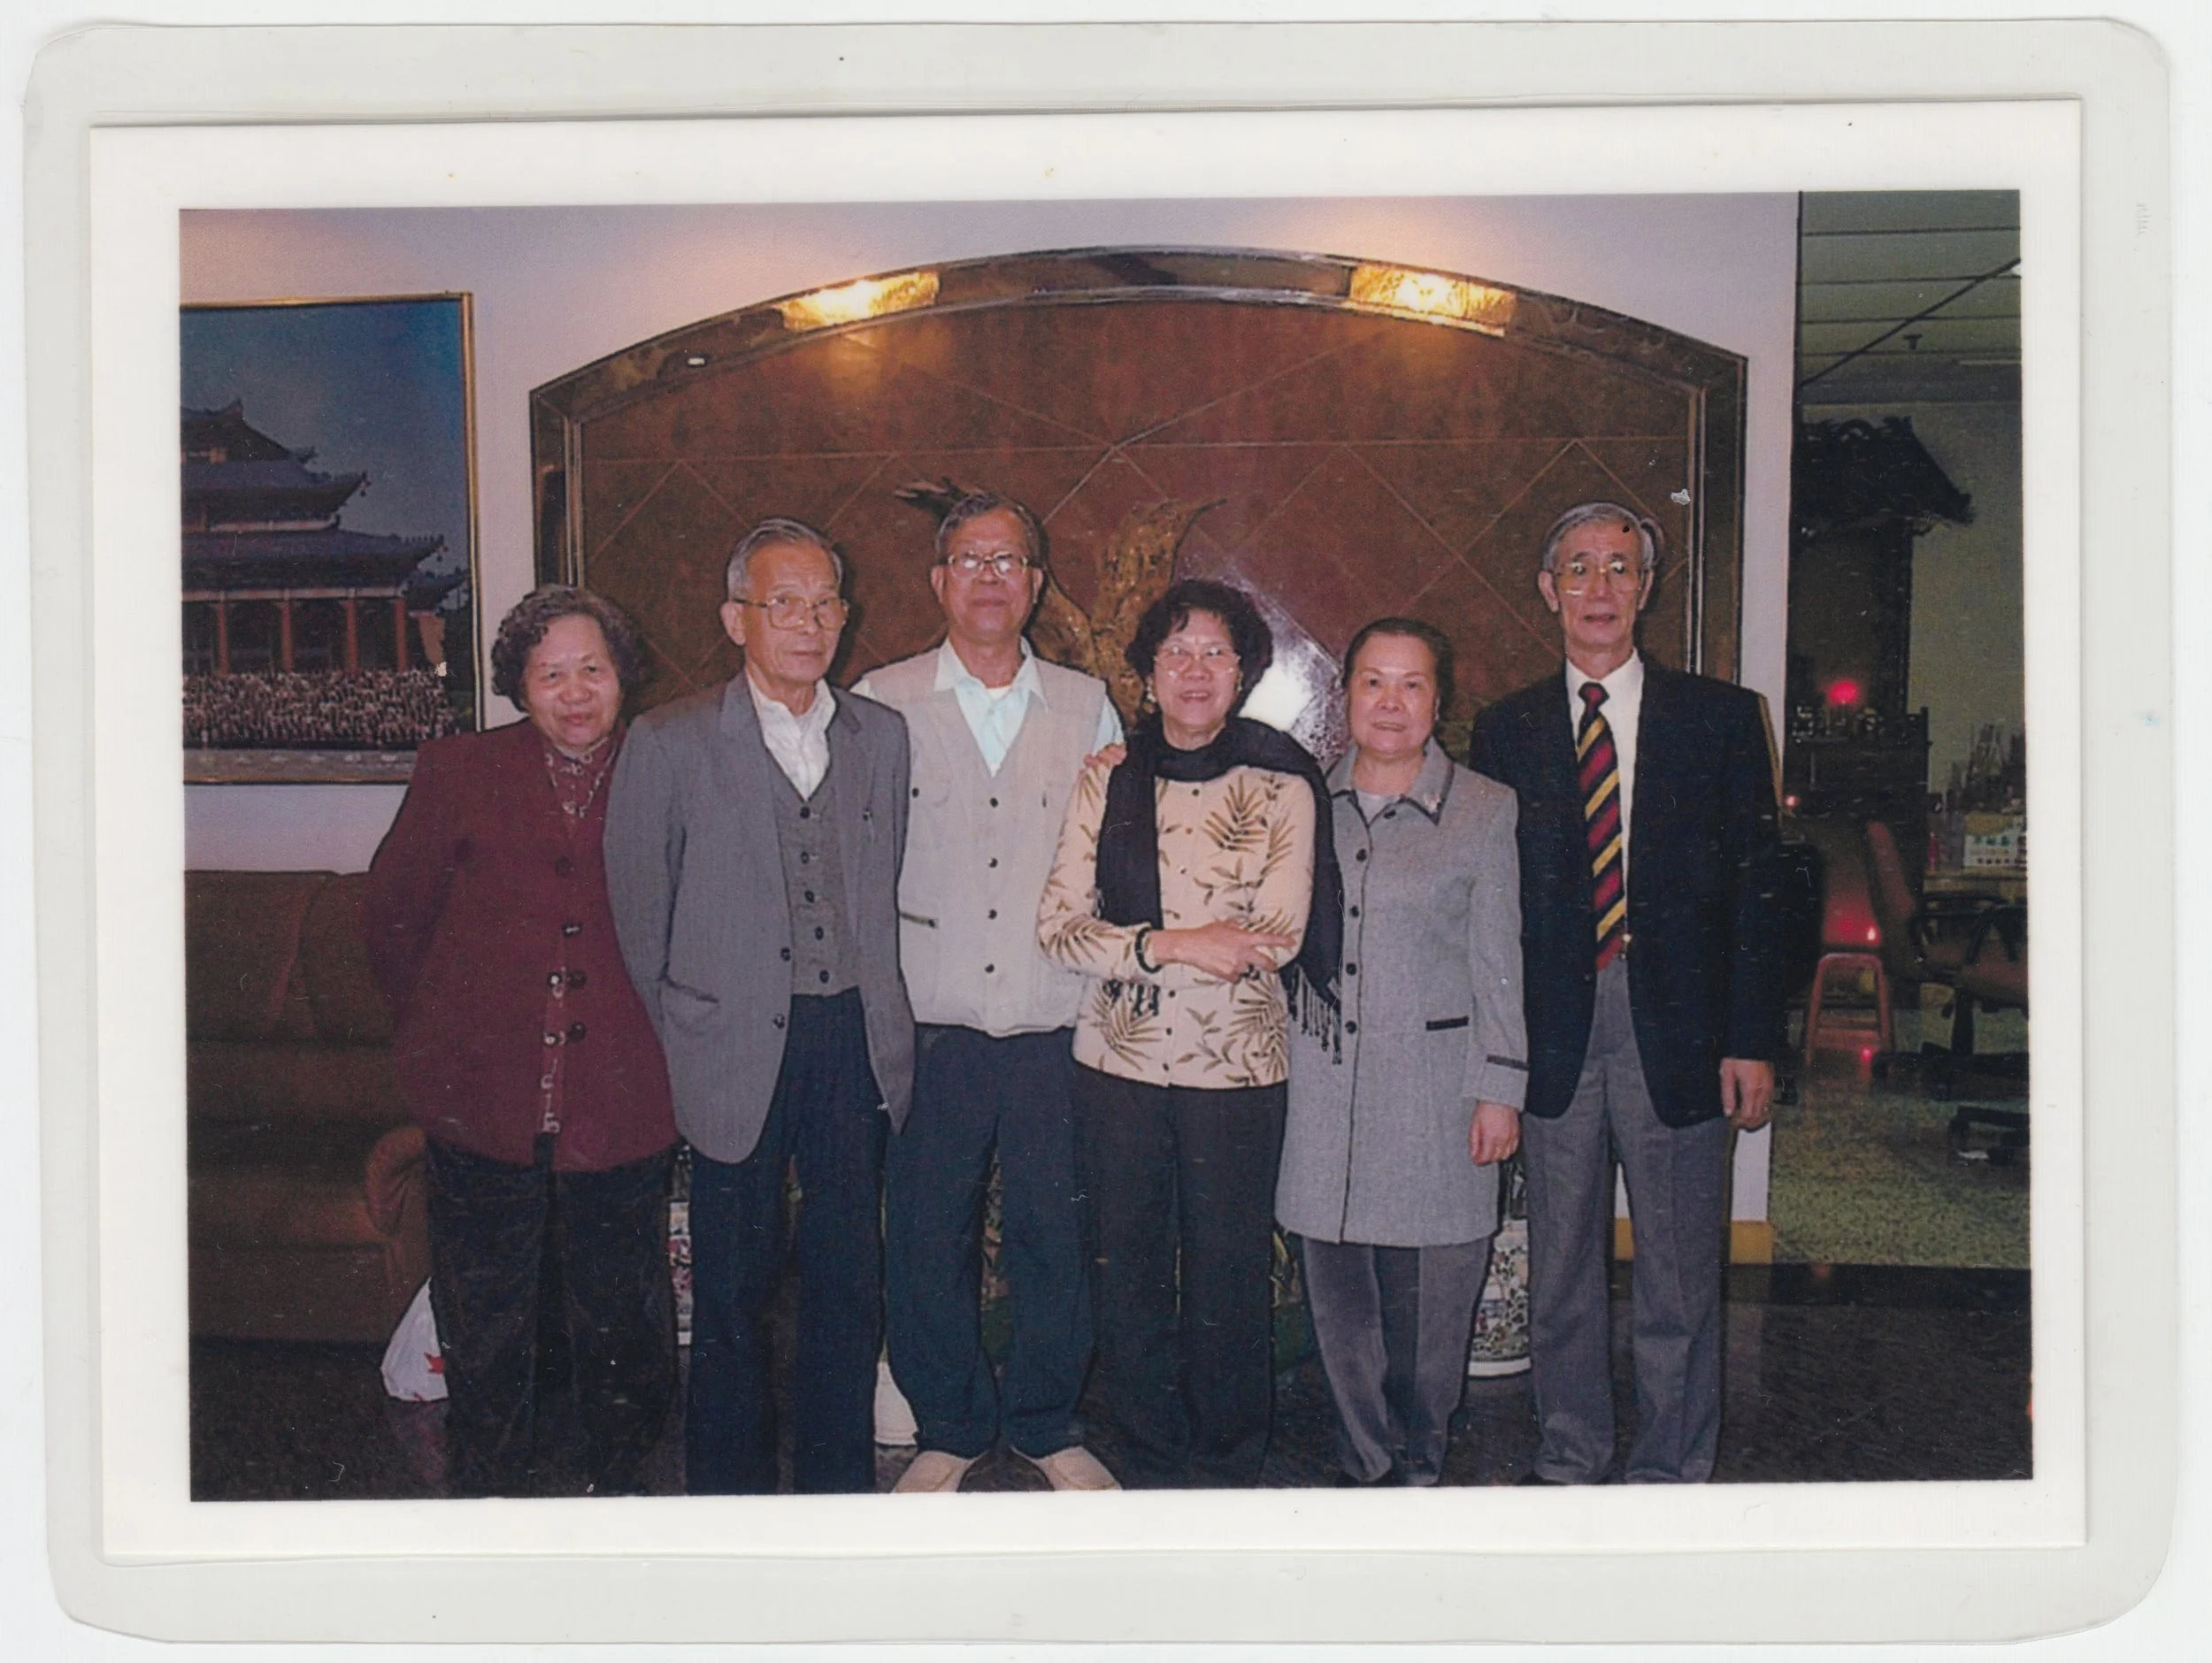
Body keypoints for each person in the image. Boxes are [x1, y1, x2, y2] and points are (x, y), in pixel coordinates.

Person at [1467, 502, 1785, 1486]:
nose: (1597, 587)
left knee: (1680, 1274)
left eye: (1617, 567)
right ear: (1546, 588)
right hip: (1557, 1036)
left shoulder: (1722, 718)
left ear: (1646, 587)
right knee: (1558, 1266)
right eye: (1577, 567)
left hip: (1681, 1035)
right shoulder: (1506, 727)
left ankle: (1669, 1469)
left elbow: (1758, 891)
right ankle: (1569, 1453)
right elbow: (1489, 902)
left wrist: (1751, 1037)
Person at [603, 517, 915, 1495]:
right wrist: (690, 1032)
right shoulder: (670, 740)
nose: (810, 622)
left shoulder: (880, 734)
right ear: (736, 617)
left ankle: (834, 1491)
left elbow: (879, 877)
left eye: (827, 602)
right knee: (731, 1288)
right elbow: (638, 914)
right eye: (786, 602)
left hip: (850, 1032)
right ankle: (729, 1502)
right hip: (729, 1039)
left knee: (844, 1277)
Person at [362, 586, 677, 1498]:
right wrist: (443, 1036)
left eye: (592, 668)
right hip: (483, 1096)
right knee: (484, 1313)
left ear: (622, 676)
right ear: (518, 686)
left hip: (622, 1095)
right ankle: (489, 1496)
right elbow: (392, 920)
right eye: (550, 674)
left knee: (620, 1311)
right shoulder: (458, 769)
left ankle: (618, 1492)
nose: (574, 691)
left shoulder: (667, 764)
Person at [1036, 578, 1339, 1488]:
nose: (1194, 670)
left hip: (1237, 1069)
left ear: (1242, 669)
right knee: (1125, 1261)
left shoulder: (1281, 782)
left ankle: (1225, 1457)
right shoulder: (1107, 776)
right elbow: (1056, 926)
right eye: (1176, 653)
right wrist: (1179, 942)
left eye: (1214, 651)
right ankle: (1149, 1450)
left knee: (1227, 1270)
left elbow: (1277, 935)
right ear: (1148, 672)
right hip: (1116, 1066)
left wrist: (1134, 946)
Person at [852, 493, 1125, 1494]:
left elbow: (1111, 855)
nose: (990, 577)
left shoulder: (1085, 700)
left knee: (1058, 1227)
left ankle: (1050, 1421)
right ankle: (951, 1424)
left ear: (1036, 584)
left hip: (1056, 1013)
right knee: (928, 1227)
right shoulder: (881, 697)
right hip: (930, 1016)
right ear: (938, 580)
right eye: (970, 559)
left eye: (1009, 560)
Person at [1276, 618, 1527, 1488]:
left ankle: (1421, 1456)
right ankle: (1365, 1464)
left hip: (1433, 1093)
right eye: (1373, 682)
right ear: (1344, 694)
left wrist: (1500, 1087)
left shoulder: (1486, 809)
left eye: (1411, 684)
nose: (1390, 702)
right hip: (1322, 1090)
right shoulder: (1300, 800)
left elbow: (1501, 959)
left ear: (1437, 699)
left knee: (1430, 1304)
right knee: (1340, 1300)